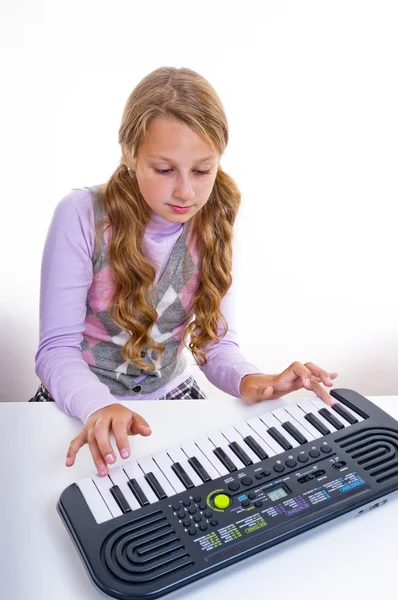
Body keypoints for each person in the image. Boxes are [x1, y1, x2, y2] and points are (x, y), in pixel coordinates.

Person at [32, 66, 338, 477]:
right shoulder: (83, 214)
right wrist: (98, 404)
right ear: (129, 154)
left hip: (173, 401)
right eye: (163, 170)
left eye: (201, 170)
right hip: (80, 402)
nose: (185, 192)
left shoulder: (216, 217)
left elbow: (216, 345)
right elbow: (56, 349)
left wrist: (254, 380)